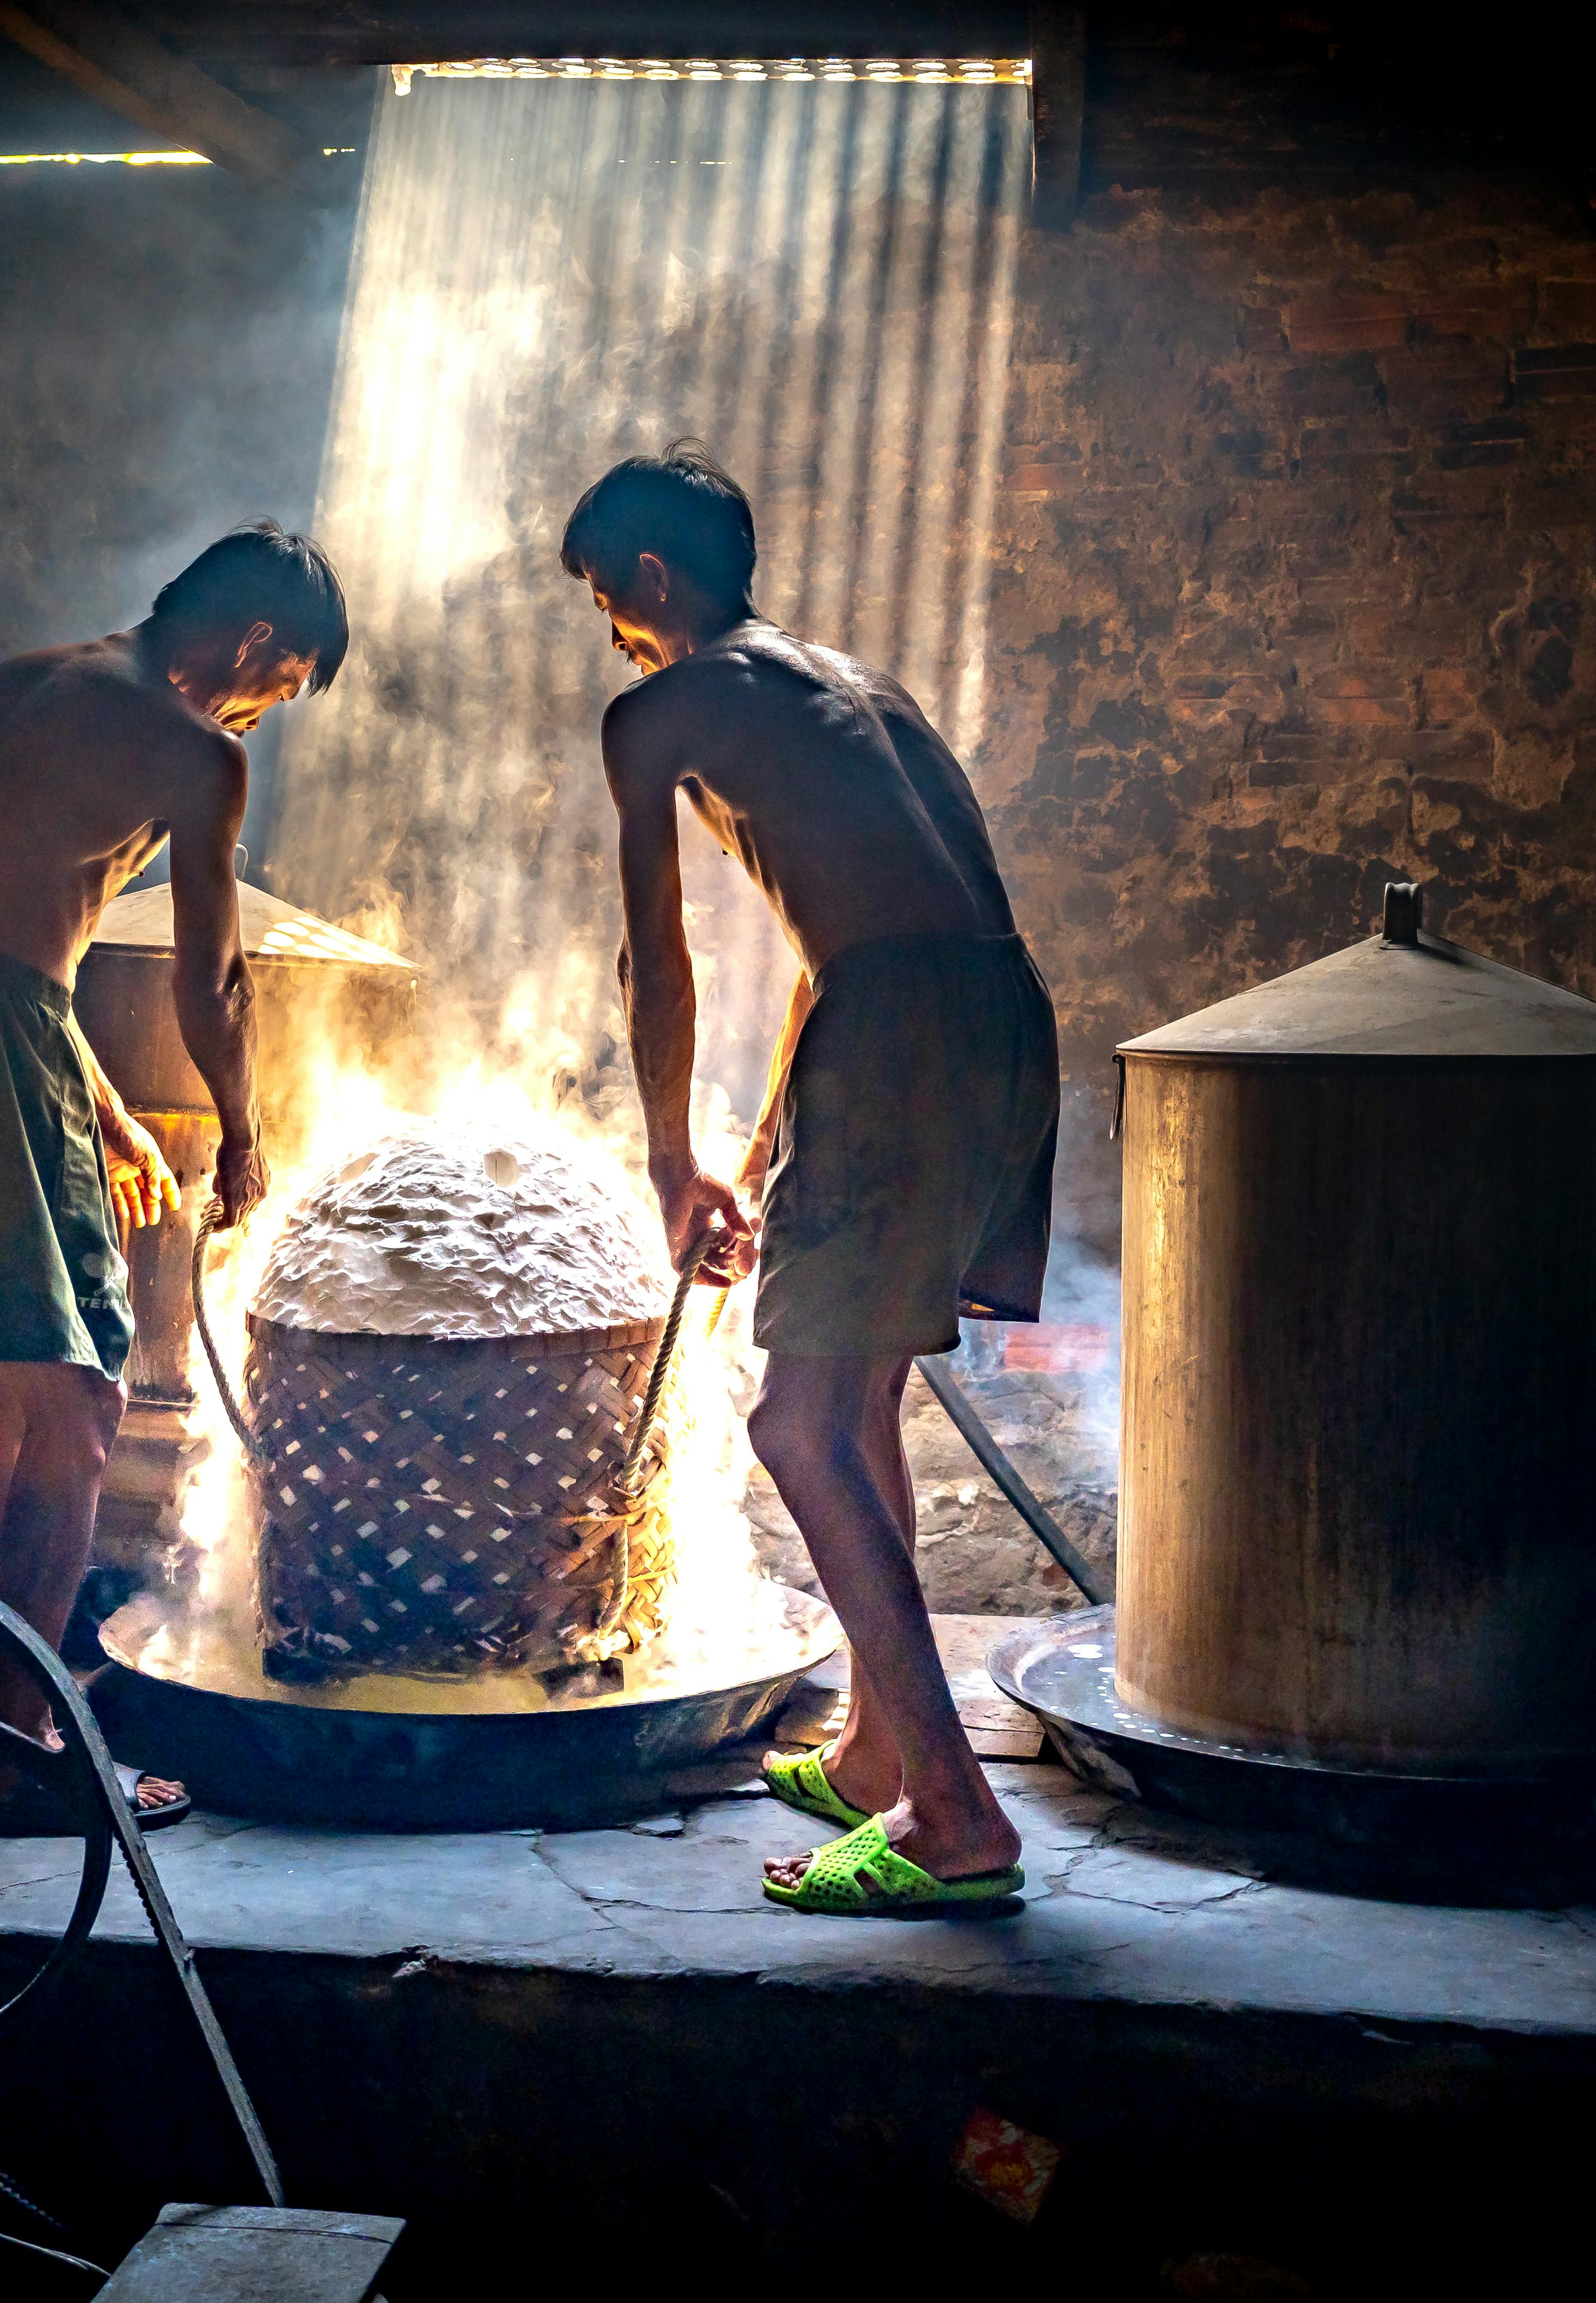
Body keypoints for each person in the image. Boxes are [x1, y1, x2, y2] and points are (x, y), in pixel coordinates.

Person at [566, 446, 1056, 1915]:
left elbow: (662, 952)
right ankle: (871, 1750)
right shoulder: (863, 691)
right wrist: (774, 1132)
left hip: (900, 1029)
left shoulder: (661, 708)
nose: (613, 637)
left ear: (652, 580)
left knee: (794, 1419)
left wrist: (670, 1160)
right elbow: (854, 935)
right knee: (857, 1398)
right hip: (996, 1018)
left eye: (610, 602)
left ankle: (958, 1817)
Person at [0, 522, 345, 1834]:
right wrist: (239, 1127)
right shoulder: (197, 751)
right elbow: (213, 979)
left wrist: (106, 1110)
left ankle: (3, 1710)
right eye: (278, 687)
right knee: (79, 1392)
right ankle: (17, 1746)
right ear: (250, 645)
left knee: (5, 1380)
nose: (263, 713)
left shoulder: (15, 681)